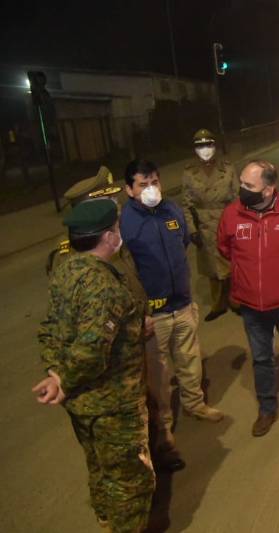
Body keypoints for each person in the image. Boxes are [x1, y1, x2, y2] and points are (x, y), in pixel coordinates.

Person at [46, 167, 185, 472]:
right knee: (128, 419)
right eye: (110, 200)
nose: (118, 204)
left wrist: (144, 312)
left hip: (137, 333)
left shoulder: (111, 233)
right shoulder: (75, 252)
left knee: (155, 390)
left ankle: (162, 444)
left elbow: (131, 277)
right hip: (112, 354)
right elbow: (84, 320)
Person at [34, 199, 155, 532]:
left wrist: (56, 374)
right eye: (116, 228)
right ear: (107, 236)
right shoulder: (102, 285)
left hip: (82, 405)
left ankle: (105, 520)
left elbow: (50, 330)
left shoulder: (66, 270)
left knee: (100, 468)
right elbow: (90, 351)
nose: (119, 233)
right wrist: (63, 378)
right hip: (113, 405)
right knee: (130, 483)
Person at [217, 160, 279, 437]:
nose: (242, 189)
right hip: (250, 306)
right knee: (261, 359)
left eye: (249, 185)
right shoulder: (231, 215)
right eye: (241, 182)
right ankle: (267, 409)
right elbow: (225, 249)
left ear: (268, 189)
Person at [120, 159, 224, 424]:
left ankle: (194, 403)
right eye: (143, 185)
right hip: (155, 313)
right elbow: (125, 271)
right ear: (129, 190)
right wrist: (141, 312)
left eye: (154, 182)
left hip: (183, 302)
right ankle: (163, 423)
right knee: (158, 372)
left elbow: (183, 243)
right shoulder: (125, 223)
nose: (151, 189)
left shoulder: (172, 210)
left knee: (190, 359)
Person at [181, 128, 240, 322]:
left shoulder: (228, 168)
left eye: (208, 145)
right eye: (200, 146)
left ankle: (236, 300)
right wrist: (192, 230)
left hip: (226, 221)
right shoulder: (189, 173)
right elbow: (186, 205)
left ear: (214, 146)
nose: (205, 149)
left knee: (232, 264)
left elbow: (237, 198)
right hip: (205, 226)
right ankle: (218, 304)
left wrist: (238, 224)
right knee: (212, 269)